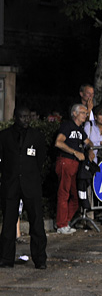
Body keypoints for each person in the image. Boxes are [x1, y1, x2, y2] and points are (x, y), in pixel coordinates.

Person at [0, 106, 49, 269]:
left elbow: (40, 158)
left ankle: (40, 259)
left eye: (28, 117)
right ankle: (6, 258)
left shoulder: (37, 136)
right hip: (11, 184)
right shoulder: (5, 136)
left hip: (31, 184)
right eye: (22, 117)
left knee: (36, 223)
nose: (26, 120)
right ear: (15, 117)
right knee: (8, 223)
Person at [53, 103, 90, 234]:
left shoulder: (80, 130)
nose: (85, 115)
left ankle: (65, 221)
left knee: (76, 195)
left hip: (76, 165)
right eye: (83, 113)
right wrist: (75, 152)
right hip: (66, 161)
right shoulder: (67, 126)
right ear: (74, 113)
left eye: (86, 113)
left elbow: (88, 142)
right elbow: (58, 142)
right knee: (64, 193)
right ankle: (61, 224)